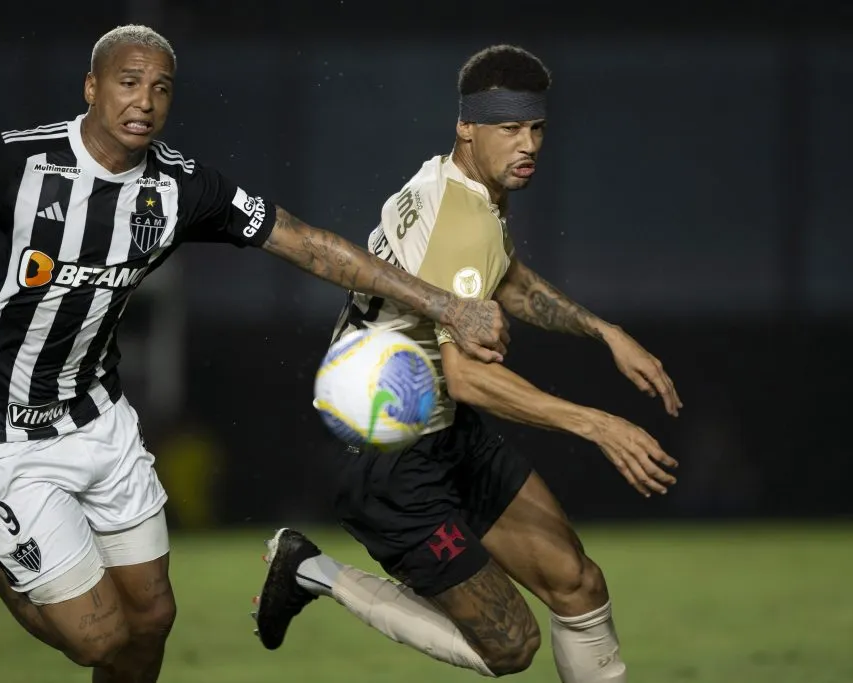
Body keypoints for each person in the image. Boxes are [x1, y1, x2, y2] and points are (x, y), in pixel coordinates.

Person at [0, 25, 509, 683]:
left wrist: (446, 305)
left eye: (161, 88)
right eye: (128, 82)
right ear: (92, 87)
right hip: (3, 428)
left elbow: (306, 243)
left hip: (98, 415)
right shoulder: (14, 163)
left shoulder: (179, 187)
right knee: (97, 638)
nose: (145, 101)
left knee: (151, 621)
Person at [253, 44, 683, 682]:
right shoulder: (463, 221)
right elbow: (468, 376)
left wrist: (604, 331)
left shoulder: (457, 187)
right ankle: (310, 571)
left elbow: (507, 281)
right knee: (509, 646)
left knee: (577, 583)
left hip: (442, 429)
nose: (528, 144)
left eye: (536, 127)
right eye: (509, 128)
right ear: (466, 127)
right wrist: (598, 424)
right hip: (389, 462)